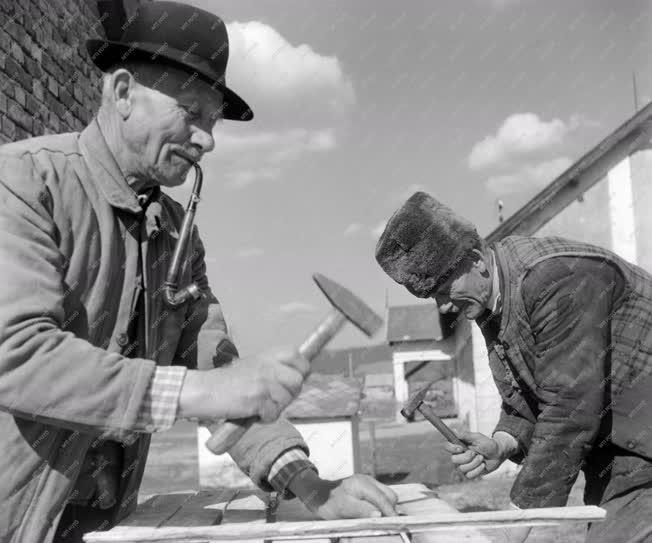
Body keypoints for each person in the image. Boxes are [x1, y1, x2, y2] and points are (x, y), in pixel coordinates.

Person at [0, 3, 396, 542]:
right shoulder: (23, 183)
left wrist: (308, 485)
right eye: (191, 112)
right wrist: (200, 392)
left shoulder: (176, 234)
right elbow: (17, 357)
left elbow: (214, 365)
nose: (208, 138)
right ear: (120, 93)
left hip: (104, 528)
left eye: (212, 121)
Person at [375, 191, 652, 542]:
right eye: (434, 297)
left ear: (476, 259)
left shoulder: (557, 278)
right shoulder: (489, 298)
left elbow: (570, 407)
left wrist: (515, 524)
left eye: (444, 289)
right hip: (620, 460)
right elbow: (528, 400)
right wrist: (501, 444)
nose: (443, 306)